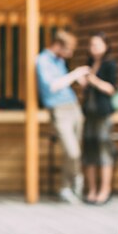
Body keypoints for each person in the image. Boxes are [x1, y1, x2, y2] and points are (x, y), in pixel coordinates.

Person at [36, 30, 90, 203]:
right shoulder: (42, 60)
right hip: (59, 110)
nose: (70, 54)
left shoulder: (59, 62)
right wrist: (74, 74)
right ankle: (77, 181)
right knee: (72, 151)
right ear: (58, 45)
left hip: (74, 107)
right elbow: (52, 86)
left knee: (76, 151)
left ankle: (65, 188)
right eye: (68, 50)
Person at [80, 32, 117, 205]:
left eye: (97, 44)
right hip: (89, 113)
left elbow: (111, 89)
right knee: (89, 151)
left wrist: (93, 81)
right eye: (91, 44)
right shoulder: (89, 64)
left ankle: (105, 190)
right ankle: (92, 190)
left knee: (103, 151)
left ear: (106, 45)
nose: (93, 48)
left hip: (103, 114)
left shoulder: (110, 65)